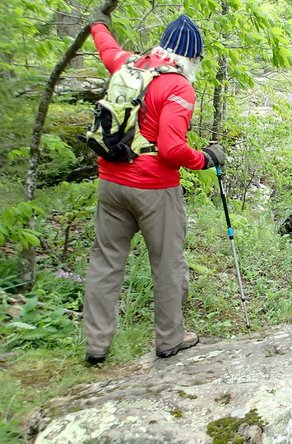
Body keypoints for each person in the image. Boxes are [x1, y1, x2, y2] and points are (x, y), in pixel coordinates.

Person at [83, 11, 225, 364]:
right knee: (167, 263)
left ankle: (96, 346)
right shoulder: (178, 86)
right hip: (154, 187)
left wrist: (97, 23)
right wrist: (206, 158)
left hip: (111, 182)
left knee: (105, 263)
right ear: (190, 57)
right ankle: (169, 338)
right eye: (197, 59)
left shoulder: (127, 65)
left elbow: (107, 48)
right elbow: (172, 148)